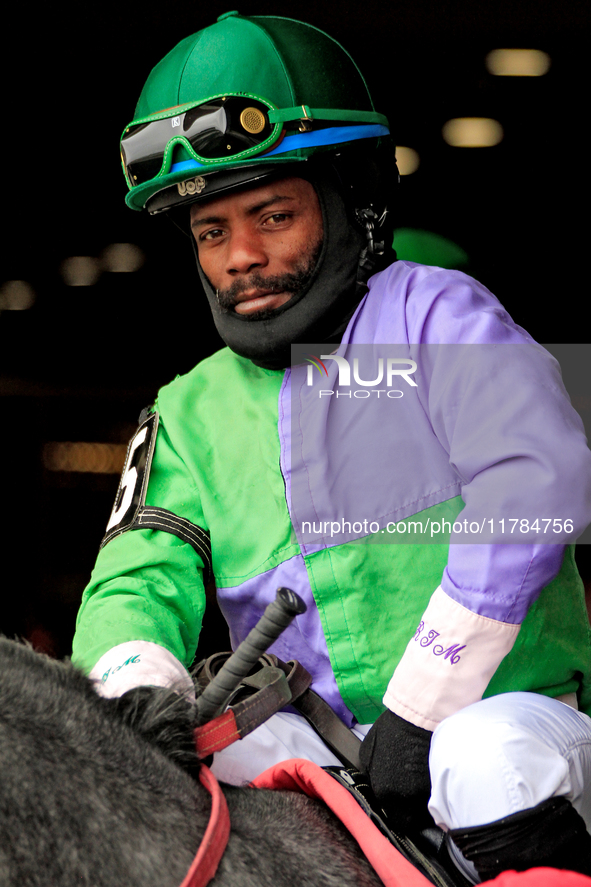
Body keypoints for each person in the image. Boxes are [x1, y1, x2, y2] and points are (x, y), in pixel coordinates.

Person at [72, 11, 591, 883]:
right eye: (210, 232)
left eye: (271, 215)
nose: (239, 256)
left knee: (482, 762)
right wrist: (136, 702)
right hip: (314, 746)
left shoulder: (438, 315)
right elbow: (136, 576)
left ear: (350, 197)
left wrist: (423, 706)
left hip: (505, 720)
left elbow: (536, 481)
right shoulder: (186, 406)